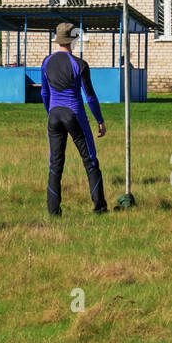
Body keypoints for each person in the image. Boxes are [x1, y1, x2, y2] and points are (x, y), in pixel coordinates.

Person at [40, 22, 108, 216]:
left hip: (54, 115)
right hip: (74, 115)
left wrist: (50, 113)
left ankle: (53, 211)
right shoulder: (79, 64)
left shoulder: (46, 62)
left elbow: (45, 94)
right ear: (73, 40)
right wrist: (100, 120)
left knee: (55, 164)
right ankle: (99, 207)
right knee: (90, 160)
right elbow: (90, 97)